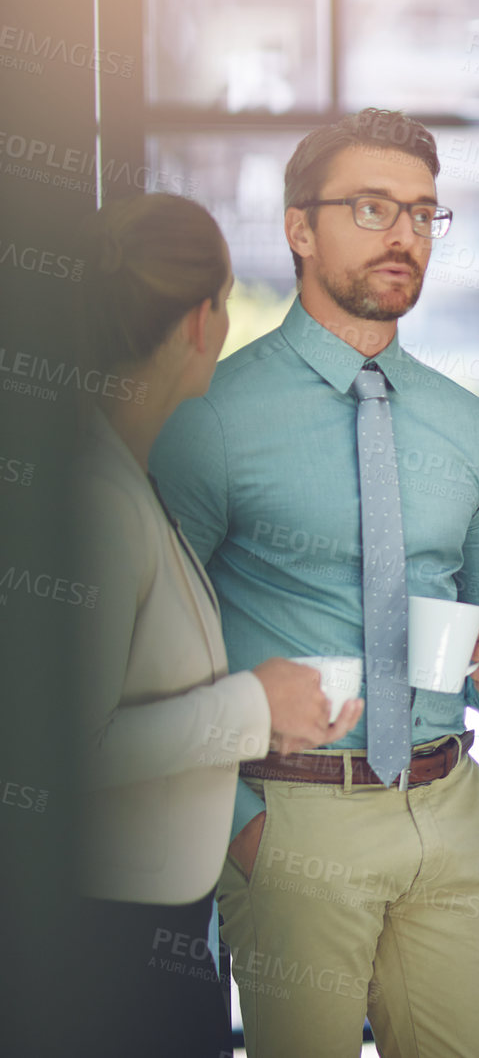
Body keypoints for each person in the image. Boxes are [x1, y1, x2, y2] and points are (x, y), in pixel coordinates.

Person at [151, 109, 479, 1058]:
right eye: (371, 208)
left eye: (422, 213)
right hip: (294, 821)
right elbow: (148, 652)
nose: (403, 233)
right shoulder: (212, 418)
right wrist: (248, 831)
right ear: (299, 227)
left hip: (446, 813)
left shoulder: (463, 421)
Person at [73, 193, 362, 1057]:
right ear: (206, 319)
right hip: (110, 946)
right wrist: (252, 705)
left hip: (152, 927)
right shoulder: (94, 499)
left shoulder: (122, 476)